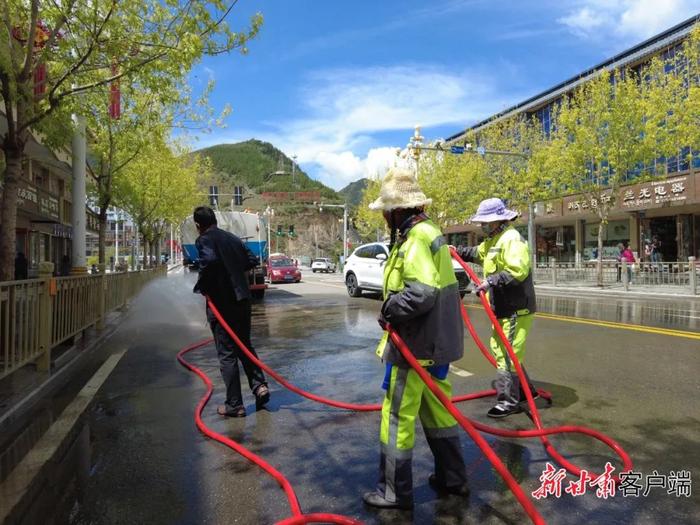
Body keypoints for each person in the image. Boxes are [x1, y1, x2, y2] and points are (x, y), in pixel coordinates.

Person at [362, 168, 468, 510]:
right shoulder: (426, 232)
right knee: (438, 412)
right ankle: (453, 479)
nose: (383, 216)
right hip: (434, 346)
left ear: (396, 210)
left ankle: (394, 492)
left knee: (396, 418)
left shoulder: (417, 237)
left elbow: (420, 294)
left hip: (415, 346)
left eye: (385, 211)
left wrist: (389, 309)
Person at [457, 197, 539, 419]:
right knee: (505, 350)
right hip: (502, 307)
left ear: (498, 221)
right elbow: (477, 253)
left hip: (515, 307)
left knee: (507, 354)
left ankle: (508, 401)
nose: (482, 226)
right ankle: (526, 392)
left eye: (486, 222)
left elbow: (517, 271)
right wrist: (455, 250)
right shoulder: (493, 240)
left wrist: (490, 281)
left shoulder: (511, 239)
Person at [192, 206, 270, 417]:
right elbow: (252, 260)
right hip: (242, 300)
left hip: (222, 305)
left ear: (198, 225)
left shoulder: (204, 239)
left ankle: (234, 404)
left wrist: (204, 286)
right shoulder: (233, 238)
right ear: (215, 220)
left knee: (227, 354)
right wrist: (234, 273)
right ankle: (259, 386)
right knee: (244, 345)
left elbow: (209, 262)